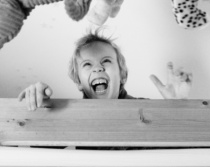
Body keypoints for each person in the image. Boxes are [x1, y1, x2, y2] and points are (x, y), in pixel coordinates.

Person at [18, 29, 192, 111]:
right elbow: (41, 149)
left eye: (106, 61)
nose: (98, 68)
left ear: (122, 75)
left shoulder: (145, 108)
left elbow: (184, 152)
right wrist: (40, 106)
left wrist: (177, 108)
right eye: (87, 64)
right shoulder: (71, 114)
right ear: (78, 82)